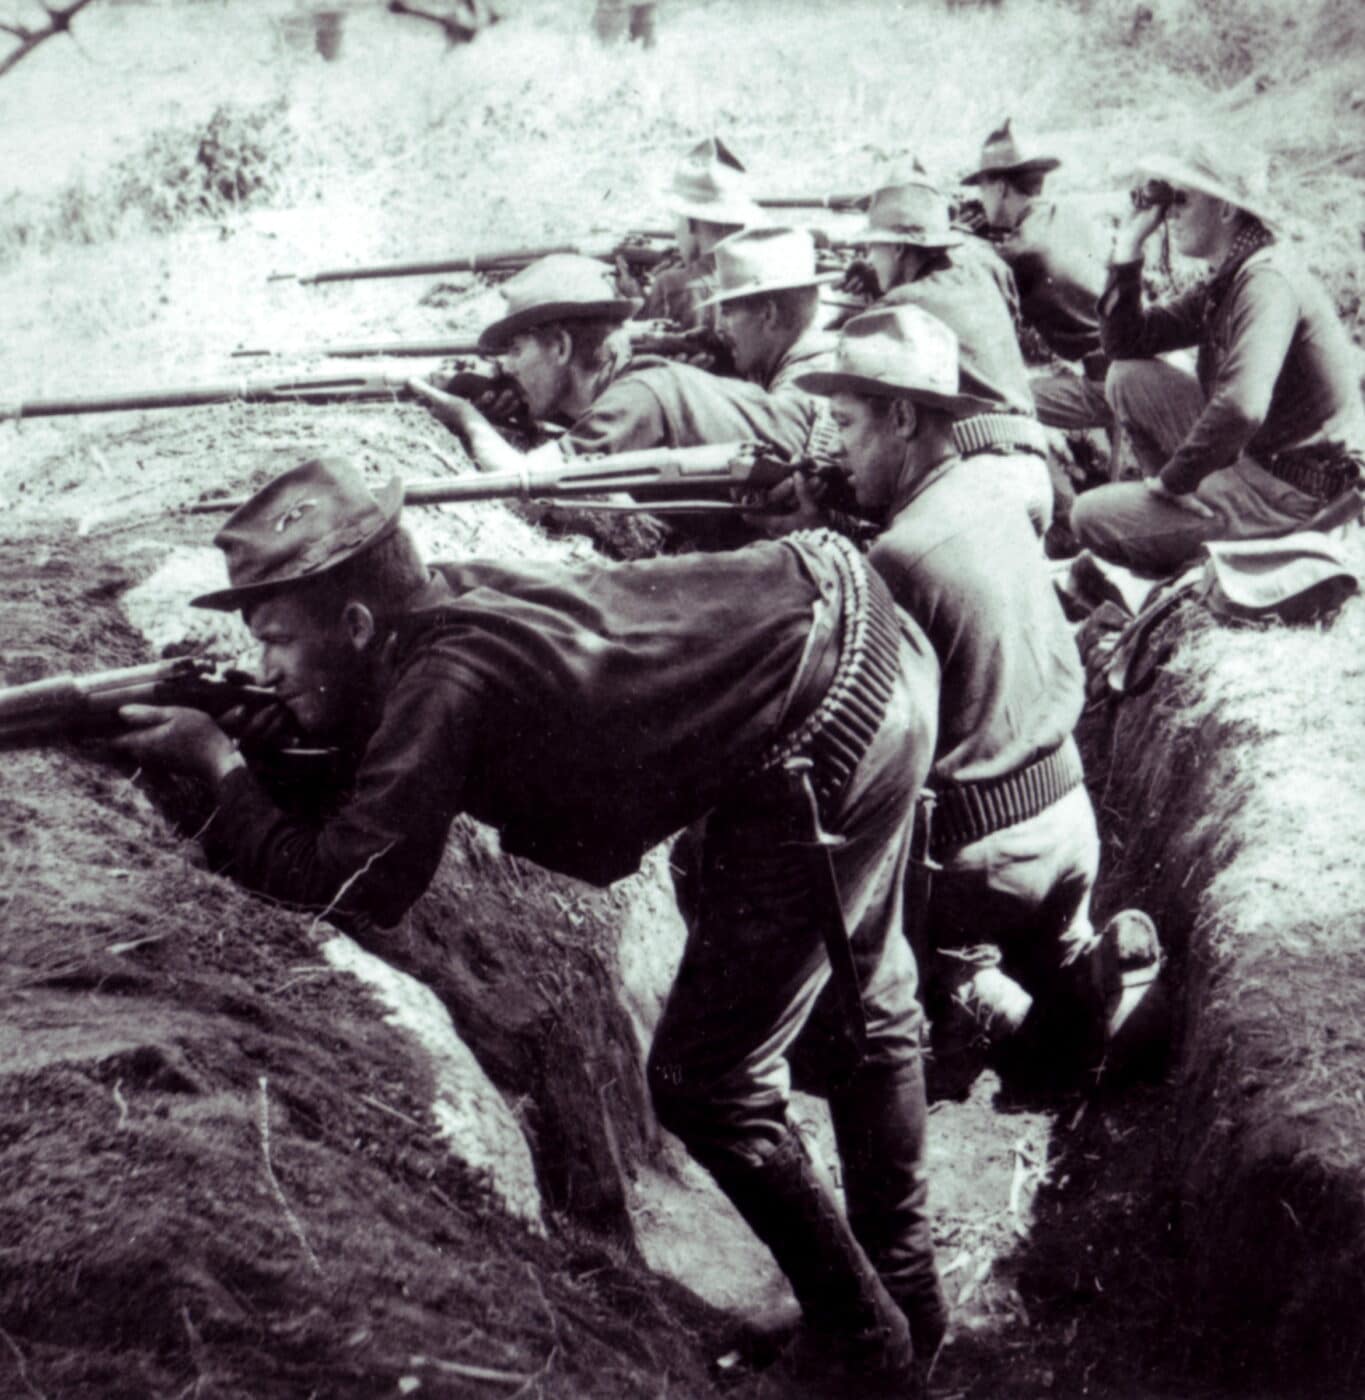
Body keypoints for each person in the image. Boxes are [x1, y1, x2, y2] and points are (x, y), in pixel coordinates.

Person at [111, 456, 947, 1391]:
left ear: (353, 625)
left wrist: (221, 769)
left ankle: (868, 1340)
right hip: (850, 622)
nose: (264, 666)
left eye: (275, 642)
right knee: (857, 990)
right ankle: (904, 1297)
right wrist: (273, 729)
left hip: (827, 725)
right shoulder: (443, 605)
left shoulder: (446, 678)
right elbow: (387, 745)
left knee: (708, 1083)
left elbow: (352, 882)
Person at [793, 304, 1159, 1094]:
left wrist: (805, 550)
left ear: (899, 418)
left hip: (978, 861)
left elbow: (857, 732)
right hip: (1066, 823)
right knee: (1058, 946)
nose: (835, 450)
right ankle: (1094, 988)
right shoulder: (994, 496)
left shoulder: (899, 553)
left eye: (846, 425)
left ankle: (993, 1017)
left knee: (870, 952)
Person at [1072, 143, 1365, 575]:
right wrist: (1129, 244)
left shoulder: (1265, 282)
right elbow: (1127, 341)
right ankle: (1180, 515)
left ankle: (1180, 525)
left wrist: (1175, 479)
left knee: (1088, 516)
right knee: (1128, 376)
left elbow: (1243, 407)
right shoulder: (1233, 277)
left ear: (1226, 210)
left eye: (1182, 200)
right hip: (1263, 459)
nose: (1169, 213)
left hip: (1296, 492)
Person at [407, 253, 833, 538]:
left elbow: (522, 490)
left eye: (516, 350)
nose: (510, 366)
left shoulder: (636, 397)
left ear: (561, 347)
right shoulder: (644, 385)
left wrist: (467, 418)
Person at [848, 175, 1053, 530]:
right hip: (1036, 473)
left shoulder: (898, 309)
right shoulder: (986, 269)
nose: (868, 258)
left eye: (873, 248)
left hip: (981, 486)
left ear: (898, 249)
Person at [960, 119, 1112, 436]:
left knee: (985, 400)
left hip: (1110, 387)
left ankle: (1054, 487)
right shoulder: (1070, 214)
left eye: (983, 188)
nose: (981, 198)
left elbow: (965, 281)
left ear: (1000, 188)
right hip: (1142, 363)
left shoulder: (1022, 250)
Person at [641, 136, 766, 329]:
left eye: (678, 220)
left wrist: (637, 301)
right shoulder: (765, 276)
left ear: (691, 222)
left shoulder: (669, 285)